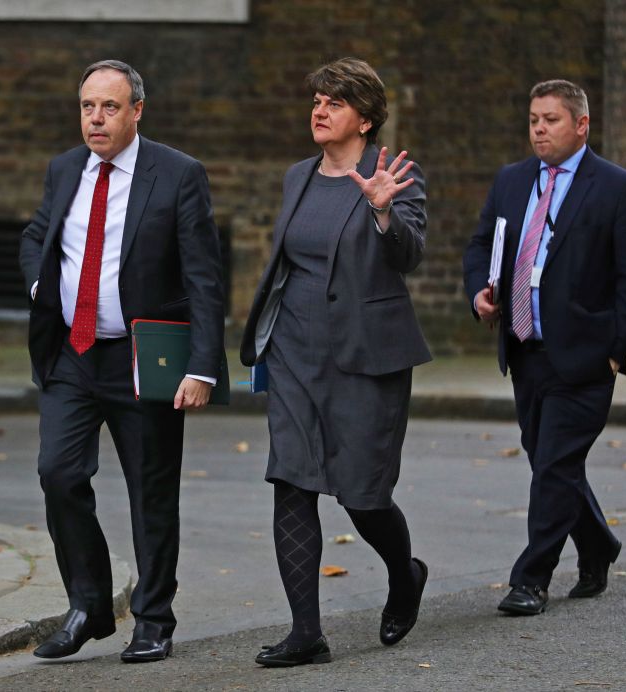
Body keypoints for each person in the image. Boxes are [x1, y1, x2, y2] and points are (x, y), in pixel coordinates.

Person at [20, 60, 225, 661]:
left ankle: (154, 618)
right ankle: (87, 603)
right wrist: (41, 289)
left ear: (137, 110)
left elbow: (204, 277)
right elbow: (36, 236)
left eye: (109, 107)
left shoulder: (179, 174)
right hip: (72, 354)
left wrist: (203, 366)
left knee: (152, 491)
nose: (96, 119)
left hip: (144, 359)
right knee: (58, 473)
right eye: (87, 106)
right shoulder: (64, 169)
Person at [240, 57, 431, 667]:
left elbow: (409, 255)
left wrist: (381, 210)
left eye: (335, 103)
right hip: (296, 351)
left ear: (366, 118)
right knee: (291, 481)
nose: (319, 111)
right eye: (317, 100)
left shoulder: (394, 173)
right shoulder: (299, 176)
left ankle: (405, 575)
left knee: (362, 495)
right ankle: (306, 633)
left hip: (366, 357)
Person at [462, 79, 626, 615]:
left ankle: (530, 579)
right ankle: (597, 545)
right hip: (526, 349)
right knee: (549, 462)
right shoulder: (511, 181)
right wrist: (479, 290)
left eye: (550, 119)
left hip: (586, 354)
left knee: (554, 465)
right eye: (533, 119)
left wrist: (615, 349)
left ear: (581, 125)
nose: (539, 129)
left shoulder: (618, 188)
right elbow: (482, 246)